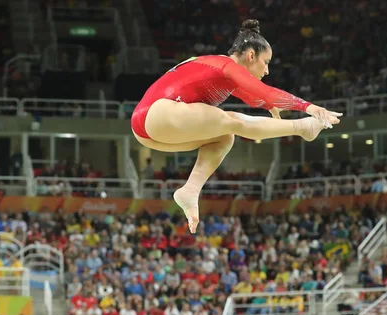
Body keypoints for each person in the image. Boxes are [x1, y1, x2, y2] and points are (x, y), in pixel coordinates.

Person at [131, 19, 342, 234]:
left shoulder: (225, 73)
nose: (267, 70)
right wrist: (309, 108)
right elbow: (265, 91)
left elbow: (254, 97)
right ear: (251, 55)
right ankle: (303, 127)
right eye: (266, 62)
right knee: (230, 120)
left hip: (148, 131)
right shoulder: (226, 66)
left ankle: (190, 189)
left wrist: (269, 105)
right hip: (156, 113)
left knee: (225, 136)